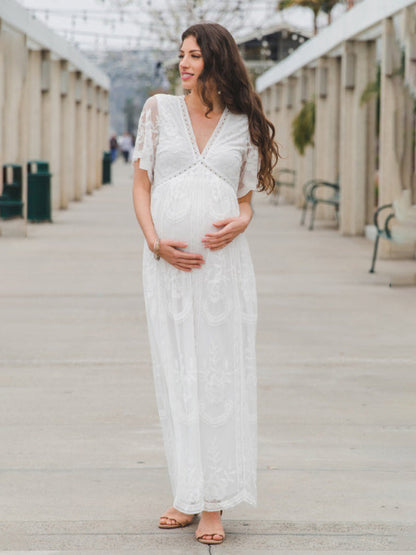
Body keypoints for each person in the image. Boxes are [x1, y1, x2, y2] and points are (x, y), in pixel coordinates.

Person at [132, 22, 278, 546]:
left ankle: (213, 505)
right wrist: (154, 242)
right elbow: (141, 185)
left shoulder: (241, 124)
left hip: (222, 272)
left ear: (218, 60)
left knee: (218, 378)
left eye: (196, 55)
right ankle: (185, 491)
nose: (185, 64)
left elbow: (244, 203)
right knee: (178, 377)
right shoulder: (158, 110)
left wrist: (243, 221)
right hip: (167, 268)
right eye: (181, 55)